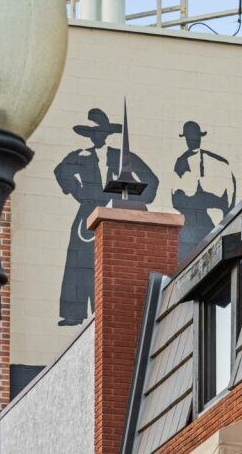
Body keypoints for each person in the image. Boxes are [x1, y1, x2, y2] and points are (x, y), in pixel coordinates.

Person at [54, 108, 158, 326]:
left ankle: (114, 308)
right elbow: (60, 171)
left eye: (101, 132)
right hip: (89, 209)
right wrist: (77, 191)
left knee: (117, 256)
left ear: (106, 134)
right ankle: (74, 313)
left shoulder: (121, 156)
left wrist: (137, 199)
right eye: (93, 133)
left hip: (114, 208)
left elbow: (151, 179)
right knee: (78, 258)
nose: (97, 136)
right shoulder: (81, 155)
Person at [171, 121, 236, 258]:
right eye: (189, 137)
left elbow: (230, 195)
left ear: (200, 137)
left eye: (194, 136)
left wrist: (223, 208)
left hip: (210, 223)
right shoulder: (181, 161)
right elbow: (176, 199)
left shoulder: (218, 161)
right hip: (190, 224)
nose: (192, 140)